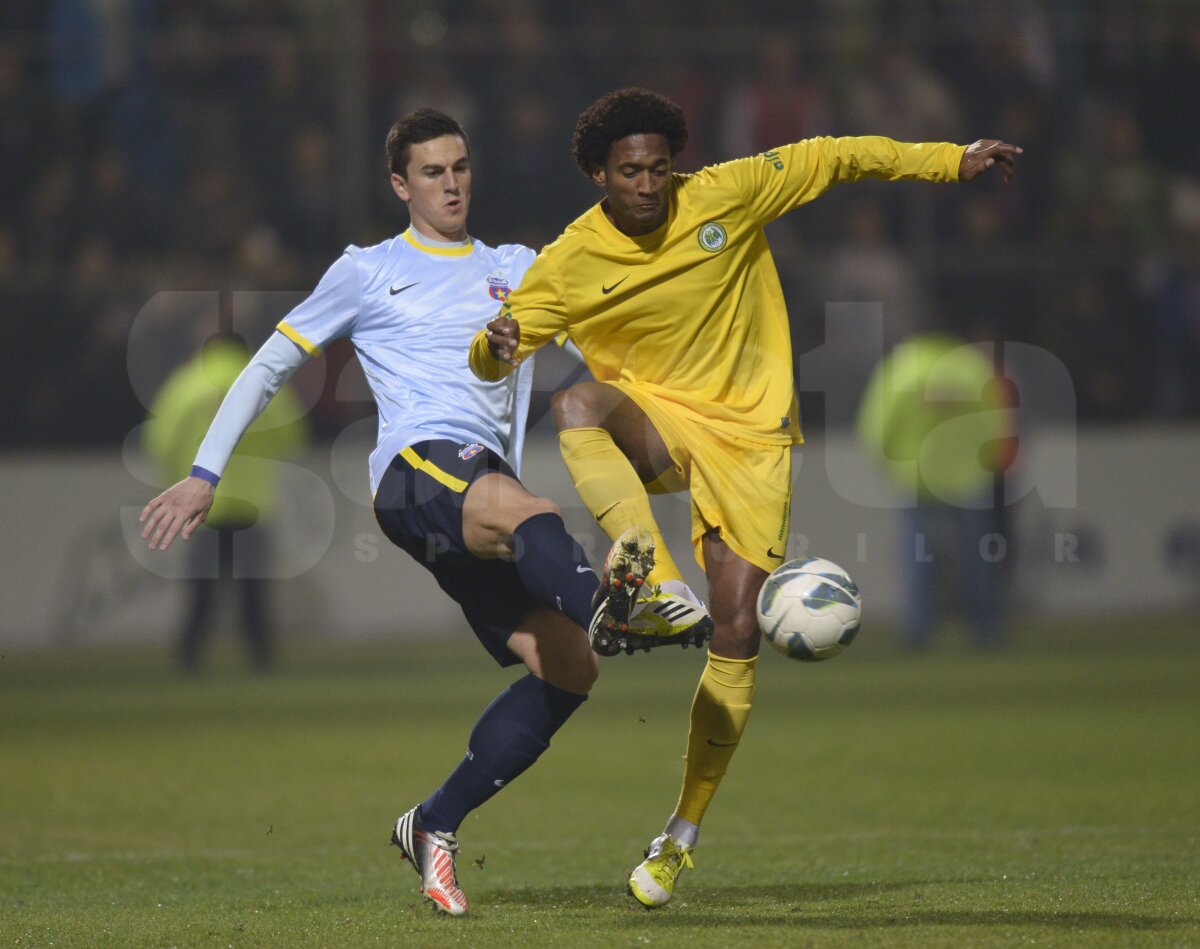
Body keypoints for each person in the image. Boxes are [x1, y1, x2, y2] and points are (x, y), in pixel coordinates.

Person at [470, 86, 1021, 908]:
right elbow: (494, 359)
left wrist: (948, 161)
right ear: (598, 175)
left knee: (734, 630)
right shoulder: (570, 261)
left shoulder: (726, 191)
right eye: (630, 172)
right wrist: (495, 344)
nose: (649, 184)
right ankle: (648, 578)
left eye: (659, 168)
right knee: (576, 402)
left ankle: (680, 833)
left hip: (754, 439)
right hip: (658, 420)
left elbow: (837, 155)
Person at [139, 108, 668, 917]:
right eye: (431, 171)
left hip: (480, 493)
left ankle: (433, 821)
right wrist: (204, 472)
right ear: (400, 185)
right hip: (418, 471)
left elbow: (603, 342)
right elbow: (270, 364)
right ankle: (614, 602)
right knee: (529, 510)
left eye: (458, 166)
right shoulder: (368, 268)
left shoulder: (520, 265)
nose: (450, 182)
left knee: (569, 667)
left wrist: (650, 421)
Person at [143, 332, 308, 671]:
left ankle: (189, 662)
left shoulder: (186, 384)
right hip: (253, 504)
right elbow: (293, 437)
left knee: (201, 593)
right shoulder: (265, 383)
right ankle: (262, 663)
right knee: (254, 594)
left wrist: (176, 479)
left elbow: (159, 441)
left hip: (202, 509)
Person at [856, 331, 1017, 650]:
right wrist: (986, 464)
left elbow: (875, 427)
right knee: (980, 556)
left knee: (918, 558)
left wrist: (892, 464)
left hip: (917, 478)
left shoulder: (902, 369)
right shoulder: (972, 368)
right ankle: (986, 630)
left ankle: (919, 631)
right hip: (971, 477)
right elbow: (998, 425)